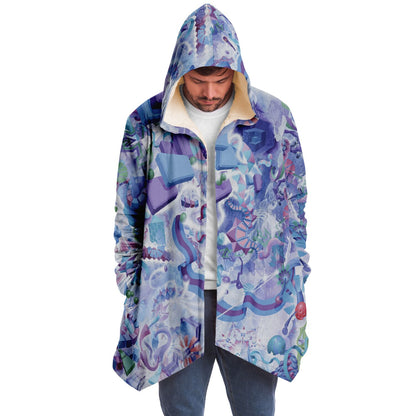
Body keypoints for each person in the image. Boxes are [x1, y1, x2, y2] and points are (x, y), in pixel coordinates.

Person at [112, 4, 310, 415]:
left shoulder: (272, 120)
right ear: (180, 72)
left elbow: (294, 207)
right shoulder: (146, 124)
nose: (210, 93)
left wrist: (296, 278)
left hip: (255, 300)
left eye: (220, 81)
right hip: (175, 302)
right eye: (199, 81)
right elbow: (127, 213)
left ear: (235, 73)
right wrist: (134, 289)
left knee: (256, 411)